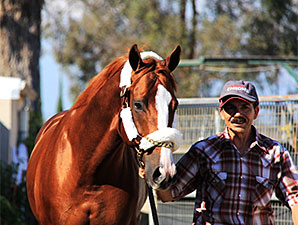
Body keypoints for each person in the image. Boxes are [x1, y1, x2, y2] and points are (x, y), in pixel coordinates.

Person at [152, 80, 298, 225]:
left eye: (245, 107)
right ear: (222, 113)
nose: (238, 114)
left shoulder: (276, 153)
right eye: (230, 108)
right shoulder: (204, 151)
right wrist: (154, 173)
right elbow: (168, 194)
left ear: (256, 112)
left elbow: (295, 199)